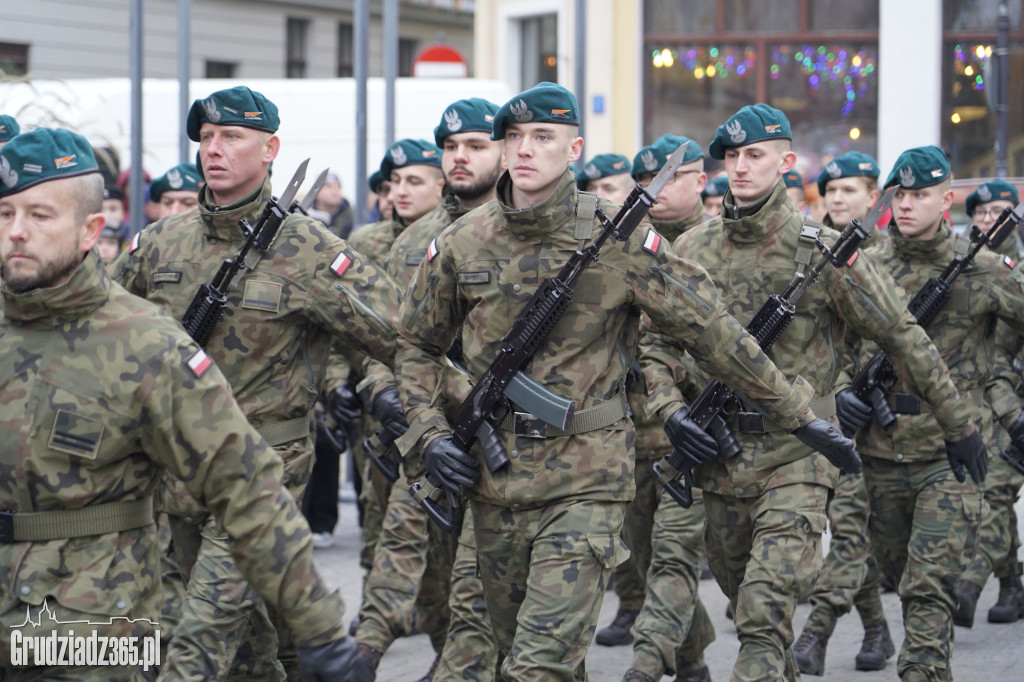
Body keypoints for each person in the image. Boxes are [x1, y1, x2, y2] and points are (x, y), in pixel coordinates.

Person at [393, 82, 860, 681]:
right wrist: (430, 433)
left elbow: (713, 334)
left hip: (588, 478)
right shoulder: (461, 241)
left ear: (574, 149)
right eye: (514, 138)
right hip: (496, 481)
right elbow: (416, 346)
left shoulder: (620, 239)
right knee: (528, 656)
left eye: (544, 137)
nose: (527, 150)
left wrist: (801, 416)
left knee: (537, 667)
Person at [0, 127, 368, 681]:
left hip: (92, 629)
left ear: (90, 230)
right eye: (4, 215)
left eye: (39, 215)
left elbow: (249, 491)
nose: (17, 233)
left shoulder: (144, 343)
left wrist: (321, 632)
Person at [640, 107, 984, 682]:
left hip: (800, 456)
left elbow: (901, 334)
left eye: (755, 155)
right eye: (732, 156)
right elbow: (655, 347)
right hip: (718, 462)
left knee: (761, 614)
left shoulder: (824, 251)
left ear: (787, 162)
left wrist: (960, 424)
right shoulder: (694, 248)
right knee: (751, 612)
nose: (741, 167)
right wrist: (671, 412)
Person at [109, 85, 404, 680]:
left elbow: (402, 334)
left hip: (263, 470)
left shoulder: (309, 248)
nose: (213, 150)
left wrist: (445, 410)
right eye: (207, 138)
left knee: (199, 637)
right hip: (172, 474)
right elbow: (101, 335)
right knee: (247, 644)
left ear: (270, 148)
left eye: (231, 137)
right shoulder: (159, 243)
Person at [845, 145, 1024, 681]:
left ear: (948, 200)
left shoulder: (987, 270)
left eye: (921, 195)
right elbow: (834, 346)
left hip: (955, 450)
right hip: (880, 448)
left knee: (929, 585)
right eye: (901, 194)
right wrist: (841, 393)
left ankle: (923, 670)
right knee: (900, 573)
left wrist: (1004, 389)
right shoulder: (867, 265)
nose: (907, 205)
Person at [355, 96, 504, 682]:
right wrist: (381, 391)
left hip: (516, 438)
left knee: (489, 581)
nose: (460, 158)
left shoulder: (534, 234)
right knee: (424, 556)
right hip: (433, 430)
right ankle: (390, 650)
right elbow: (384, 340)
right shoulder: (416, 243)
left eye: (475, 145)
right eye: (450, 147)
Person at [601, 135, 717, 682]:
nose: (658, 190)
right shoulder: (621, 244)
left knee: (673, 556)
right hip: (628, 435)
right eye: (648, 181)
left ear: (701, 180)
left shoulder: (714, 246)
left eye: (673, 177)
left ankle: (647, 665)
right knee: (645, 561)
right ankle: (692, 660)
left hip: (689, 434)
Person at [792, 151, 895, 676]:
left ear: (873, 198)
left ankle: (817, 631)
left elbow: (902, 337)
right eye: (830, 191)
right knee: (852, 532)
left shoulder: (890, 256)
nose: (836, 199)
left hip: (884, 424)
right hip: (826, 414)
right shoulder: (810, 254)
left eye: (849, 191)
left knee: (855, 533)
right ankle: (873, 627)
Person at [953, 178, 1024, 628]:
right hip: (982, 401)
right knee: (990, 493)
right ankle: (1013, 586)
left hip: (1012, 403)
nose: (985, 218)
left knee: (995, 493)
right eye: (979, 211)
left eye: (995, 210)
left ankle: (968, 587)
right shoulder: (964, 263)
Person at [315, 172, 355, 239]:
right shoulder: (306, 216)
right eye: (328, 186)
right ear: (316, 190)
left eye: (338, 186)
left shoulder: (354, 218)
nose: (335, 190)